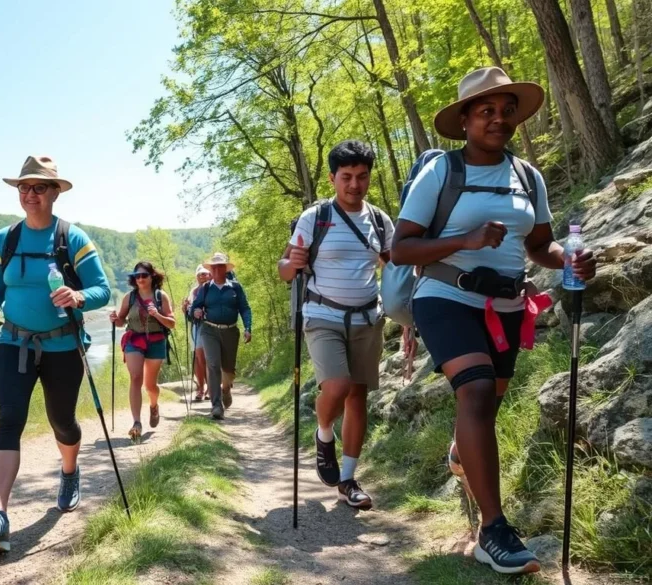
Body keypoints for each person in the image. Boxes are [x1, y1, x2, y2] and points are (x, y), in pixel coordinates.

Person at [391, 67, 596, 575]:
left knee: (487, 402)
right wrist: (465, 240)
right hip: (444, 296)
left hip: (506, 305)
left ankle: (462, 454)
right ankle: (494, 530)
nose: (498, 119)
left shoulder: (528, 176)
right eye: (486, 111)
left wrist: (568, 259)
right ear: (464, 120)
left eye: (507, 110)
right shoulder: (441, 172)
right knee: (477, 392)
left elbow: (539, 245)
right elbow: (401, 247)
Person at [0, 155, 111, 554]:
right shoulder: (4, 240)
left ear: (54, 193)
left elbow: (103, 290)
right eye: (24, 187)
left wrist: (78, 295)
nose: (30, 194)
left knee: (62, 421)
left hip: (63, 344)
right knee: (9, 419)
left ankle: (69, 470)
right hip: (14, 342)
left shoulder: (72, 239)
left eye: (39, 187)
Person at [278, 140, 394, 511]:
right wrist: (292, 262)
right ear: (332, 178)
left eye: (362, 177)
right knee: (339, 386)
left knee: (358, 397)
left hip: (368, 317)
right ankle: (323, 432)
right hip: (322, 315)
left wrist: (406, 312)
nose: (354, 185)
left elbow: (393, 268)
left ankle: (347, 481)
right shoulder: (315, 217)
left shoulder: (379, 220)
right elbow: (284, 272)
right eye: (346, 177)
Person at [109, 261, 176, 441]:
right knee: (135, 377)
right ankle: (136, 423)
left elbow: (172, 323)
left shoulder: (160, 296)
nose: (140, 279)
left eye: (143, 275)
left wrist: (157, 314)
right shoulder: (129, 298)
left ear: (152, 276)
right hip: (134, 340)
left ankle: (154, 405)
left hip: (156, 341)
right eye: (136, 276)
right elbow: (121, 321)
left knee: (150, 385)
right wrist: (115, 319)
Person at [189, 253, 252, 420]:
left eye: (220, 266)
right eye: (214, 267)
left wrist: (248, 327)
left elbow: (245, 308)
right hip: (209, 330)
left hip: (231, 331)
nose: (217, 270)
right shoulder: (205, 289)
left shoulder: (235, 287)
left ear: (225, 269)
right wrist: (195, 311)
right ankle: (216, 406)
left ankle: (226, 389)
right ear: (211, 270)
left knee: (228, 369)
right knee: (213, 364)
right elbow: (194, 308)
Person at [182, 265, 213, 401]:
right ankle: (202, 387)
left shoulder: (213, 288)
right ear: (196, 276)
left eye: (205, 274)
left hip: (211, 326)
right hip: (196, 327)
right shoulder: (193, 291)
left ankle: (210, 388)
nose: (203, 276)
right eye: (200, 274)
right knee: (198, 357)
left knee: (206, 357)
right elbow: (190, 311)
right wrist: (186, 309)